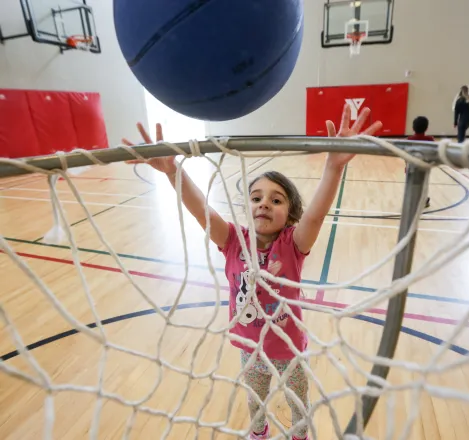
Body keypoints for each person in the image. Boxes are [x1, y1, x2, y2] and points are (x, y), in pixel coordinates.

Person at [123, 104, 382, 440]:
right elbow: (203, 212)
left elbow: (315, 218)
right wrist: (174, 173)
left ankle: (300, 434)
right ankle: (258, 434)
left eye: (276, 200)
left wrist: (333, 168)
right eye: (257, 197)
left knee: (298, 399)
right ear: (247, 207)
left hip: (289, 348)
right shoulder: (233, 240)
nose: (264, 204)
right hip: (250, 348)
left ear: (290, 214)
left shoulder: (293, 243)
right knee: (255, 399)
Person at [406, 116, 434, 208]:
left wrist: (406, 165)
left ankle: (410, 200)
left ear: (413, 128)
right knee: (423, 185)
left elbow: (406, 154)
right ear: (427, 128)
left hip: (411, 167)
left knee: (410, 184)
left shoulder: (409, 140)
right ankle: (423, 200)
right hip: (424, 167)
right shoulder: (430, 140)